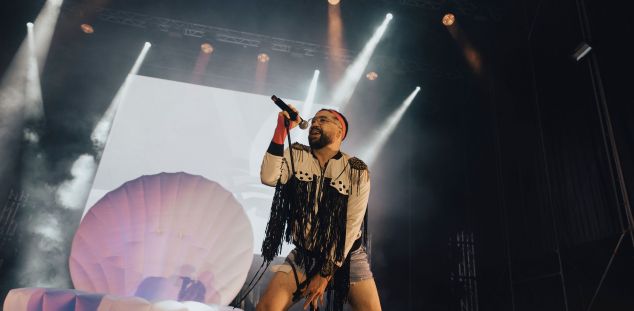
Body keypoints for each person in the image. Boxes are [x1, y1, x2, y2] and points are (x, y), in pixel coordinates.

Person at [256, 105, 381, 311]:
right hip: (305, 255)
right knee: (266, 309)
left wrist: (324, 274)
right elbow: (269, 177)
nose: (315, 123)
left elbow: (351, 225)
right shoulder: (296, 154)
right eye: (314, 120)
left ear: (340, 131)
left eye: (323, 120)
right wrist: (281, 130)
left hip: (346, 256)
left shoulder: (356, 170)